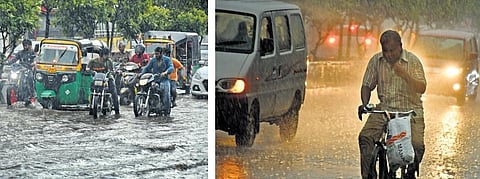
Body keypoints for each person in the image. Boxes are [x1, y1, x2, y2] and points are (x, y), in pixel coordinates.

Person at [357, 30, 427, 179]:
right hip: (385, 109)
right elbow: (367, 85)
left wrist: (405, 75)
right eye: (385, 51)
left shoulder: (413, 61)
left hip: (410, 111)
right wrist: (365, 104)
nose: (389, 55)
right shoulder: (376, 60)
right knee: (365, 137)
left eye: (392, 51)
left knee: (417, 146)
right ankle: (368, 175)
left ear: (400, 47)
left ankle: (410, 172)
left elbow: (422, 87)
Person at [86, 47, 120, 117]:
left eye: (108, 55)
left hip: (107, 79)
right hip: (96, 79)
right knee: (91, 91)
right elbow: (87, 68)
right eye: (106, 55)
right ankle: (91, 107)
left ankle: (117, 110)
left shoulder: (109, 61)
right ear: (102, 55)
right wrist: (89, 70)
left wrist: (113, 72)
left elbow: (111, 71)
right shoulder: (93, 61)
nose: (108, 56)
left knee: (113, 91)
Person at [141, 46, 173, 116]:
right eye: (155, 54)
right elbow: (147, 67)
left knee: (166, 93)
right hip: (155, 79)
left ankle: (166, 109)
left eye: (157, 54)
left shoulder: (167, 59)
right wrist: (142, 74)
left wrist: (166, 72)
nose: (156, 55)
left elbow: (171, 67)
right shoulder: (153, 60)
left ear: (161, 53)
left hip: (164, 80)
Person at [7, 39, 37, 106]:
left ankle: (32, 94)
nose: (25, 46)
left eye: (27, 45)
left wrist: (33, 64)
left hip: (29, 70)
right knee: (12, 77)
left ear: (29, 45)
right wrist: (7, 63)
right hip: (20, 70)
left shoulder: (32, 53)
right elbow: (14, 59)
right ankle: (15, 91)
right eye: (24, 45)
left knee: (30, 78)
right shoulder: (20, 53)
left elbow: (36, 60)